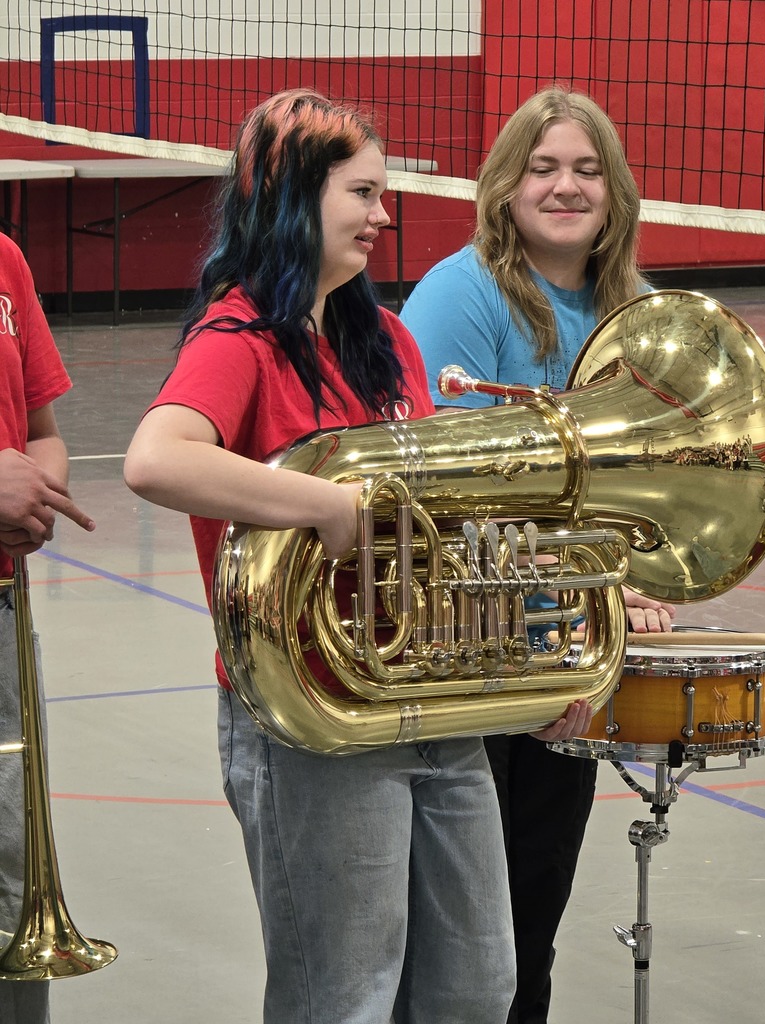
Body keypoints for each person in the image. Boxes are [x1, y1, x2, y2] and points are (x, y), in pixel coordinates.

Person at [123, 88, 595, 1024]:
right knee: (345, 998)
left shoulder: (384, 341)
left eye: (385, 195)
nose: (385, 216)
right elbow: (154, 458)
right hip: (312, 717)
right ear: (292, 197)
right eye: (363, 193)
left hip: (423, 701)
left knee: (476, 988)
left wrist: (536, 667)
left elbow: (434, 531)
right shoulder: (241, 334)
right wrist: (326, 506)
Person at [400, 86, 676, 1024]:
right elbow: (457, 491)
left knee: (530, 925)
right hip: (467, 655)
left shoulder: (631, 310)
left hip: (565, 657)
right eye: (544, 167)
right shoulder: (461, 291)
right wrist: (591, 586)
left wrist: (628, 582)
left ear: (616, 190)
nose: (567, 187)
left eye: (588, 170)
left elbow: (636, 487)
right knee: (456, 938)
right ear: (506, 186)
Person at [0, 230, 96, 1024]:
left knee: (8, 860)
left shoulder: (5, 258)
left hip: (3, 607)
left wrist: (40, 488)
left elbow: (43, 432)